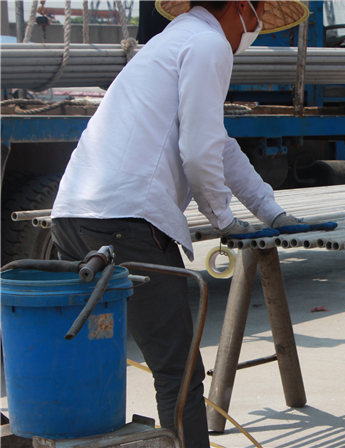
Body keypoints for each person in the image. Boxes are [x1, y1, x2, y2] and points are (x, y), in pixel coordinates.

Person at [50, 2, 308, 447]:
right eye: (259, 13)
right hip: (126, 223)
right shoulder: (209, 45)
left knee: (85, 361)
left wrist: (270, 210)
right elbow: (199, 149)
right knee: (179, 373)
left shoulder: (170, 43)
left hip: (73, 216)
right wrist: (224, 218)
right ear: (240, 6)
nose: (257, 27)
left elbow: (219, 144)